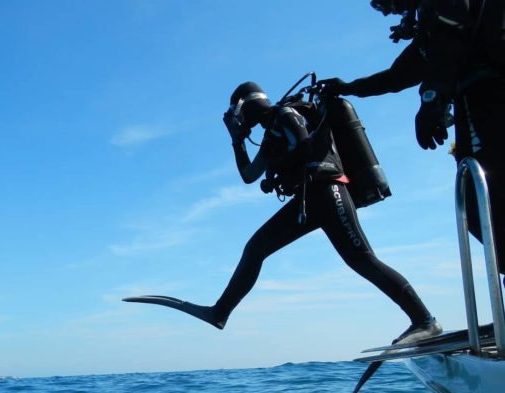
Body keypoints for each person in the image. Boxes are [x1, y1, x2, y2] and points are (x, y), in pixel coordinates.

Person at [126, 81, 442, 345]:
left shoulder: (286, 114)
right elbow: (250, 174)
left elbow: (303, 143)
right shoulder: (272, 131)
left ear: (241, 108)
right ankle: (220, 313)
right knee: (256, 248)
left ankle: (425, 320)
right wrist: (237, 142)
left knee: (362, 259)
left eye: (236, 116)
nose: (238, 122)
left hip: (328, 191)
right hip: (310, 199)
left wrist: (289, 163)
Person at [319, 0, 505, 280]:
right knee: (478, 201)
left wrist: (431, 98)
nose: (389, 11)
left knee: (484, 198)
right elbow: (398, 75)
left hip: (488, 101)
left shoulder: (441, 12)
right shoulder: (436, 23)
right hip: (481, 101)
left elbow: (447, 48)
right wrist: (349, 88)